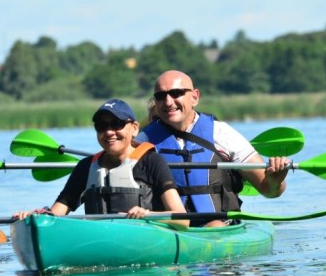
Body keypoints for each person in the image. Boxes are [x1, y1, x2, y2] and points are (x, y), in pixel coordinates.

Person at [137, 70, 291, 226]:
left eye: (176, 93)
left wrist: (275, 182)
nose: (168, 102)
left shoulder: (222, 133)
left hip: (220, 226)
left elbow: (269, 190)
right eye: (161, 96)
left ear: (195, 97)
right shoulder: (142, 141)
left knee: (214, 224)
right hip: (166, 228)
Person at [15, 99, 188, 228]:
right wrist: (36, 217)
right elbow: (55, 216)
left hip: (145, 239)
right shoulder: (85, 167)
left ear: (135, 128)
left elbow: (182, 219)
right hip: (99, 240)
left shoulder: (152, 161)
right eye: (101, 126)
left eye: (117, 124)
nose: (109, 132)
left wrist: (148, 215)